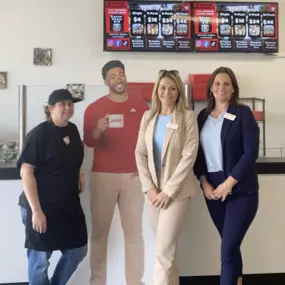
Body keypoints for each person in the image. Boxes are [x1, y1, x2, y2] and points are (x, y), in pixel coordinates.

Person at [83, 60, 149, 285]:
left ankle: (135, 282)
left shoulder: (142, 107)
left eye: (121, 74)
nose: (118, 79)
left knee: (134, 234)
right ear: (105, 81)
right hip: (103, 176)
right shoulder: (94, 108)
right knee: (100, 234)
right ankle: (97, 282)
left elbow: (149, 141)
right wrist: (97, 130)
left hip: (134, 177)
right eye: (112, 76)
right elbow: (90, 141)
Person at [194, 67, 260, 285]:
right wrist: (204, 183)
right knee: (229, 245)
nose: (221, 87)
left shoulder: (242, 113)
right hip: (212, 192)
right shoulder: (202, 117)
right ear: (211, 89)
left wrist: (229, 183)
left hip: (240, 191)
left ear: (233, 89)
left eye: (226, 84)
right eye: (217, 83)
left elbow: (250, 152)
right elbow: (198, 155)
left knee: (227, 249)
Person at [17, 89, 88, 285]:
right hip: (41, 205)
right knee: (40, 261)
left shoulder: (72, 129)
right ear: (51, 108)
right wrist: (36, 211)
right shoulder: (38, 135)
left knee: (77, 251)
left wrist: (80, 173)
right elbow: (26, 172)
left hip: (67, 204)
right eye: (62, 104)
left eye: (70, 104)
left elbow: (72, 157)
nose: (67, 108)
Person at [135, 69, 199, 285]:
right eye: (163, 88)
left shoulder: (187, 117)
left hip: (177, 193)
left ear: (179, 92)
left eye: (172, 88)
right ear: (156, 90)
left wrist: (168, 191)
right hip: (152, 193)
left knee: (163, 252)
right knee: (166, 251)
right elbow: (140, 153)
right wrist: (149, 188)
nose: (167, 92)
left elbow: (189, 155)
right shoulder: (148, 116)